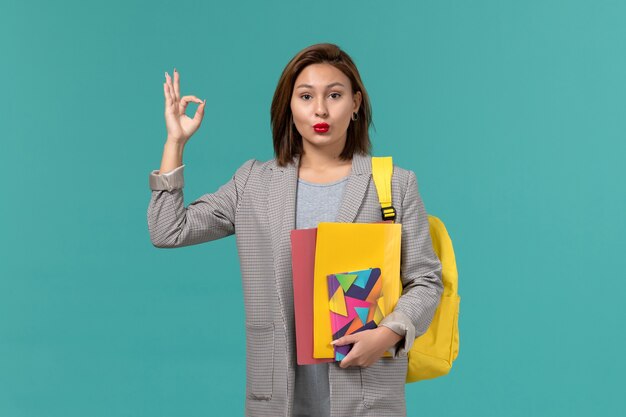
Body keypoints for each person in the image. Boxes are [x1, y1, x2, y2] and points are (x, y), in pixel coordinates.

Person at [147, 43, 443, 417]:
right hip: (277, 400)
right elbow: (167, 230)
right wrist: (175, 143)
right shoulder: (253, 183)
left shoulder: (394, 185)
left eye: (334, 95)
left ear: (355, 104)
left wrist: (388, 334)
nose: (320, 109)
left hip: (367, 398)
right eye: (306, 96)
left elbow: (427, 280)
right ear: (289, 105)